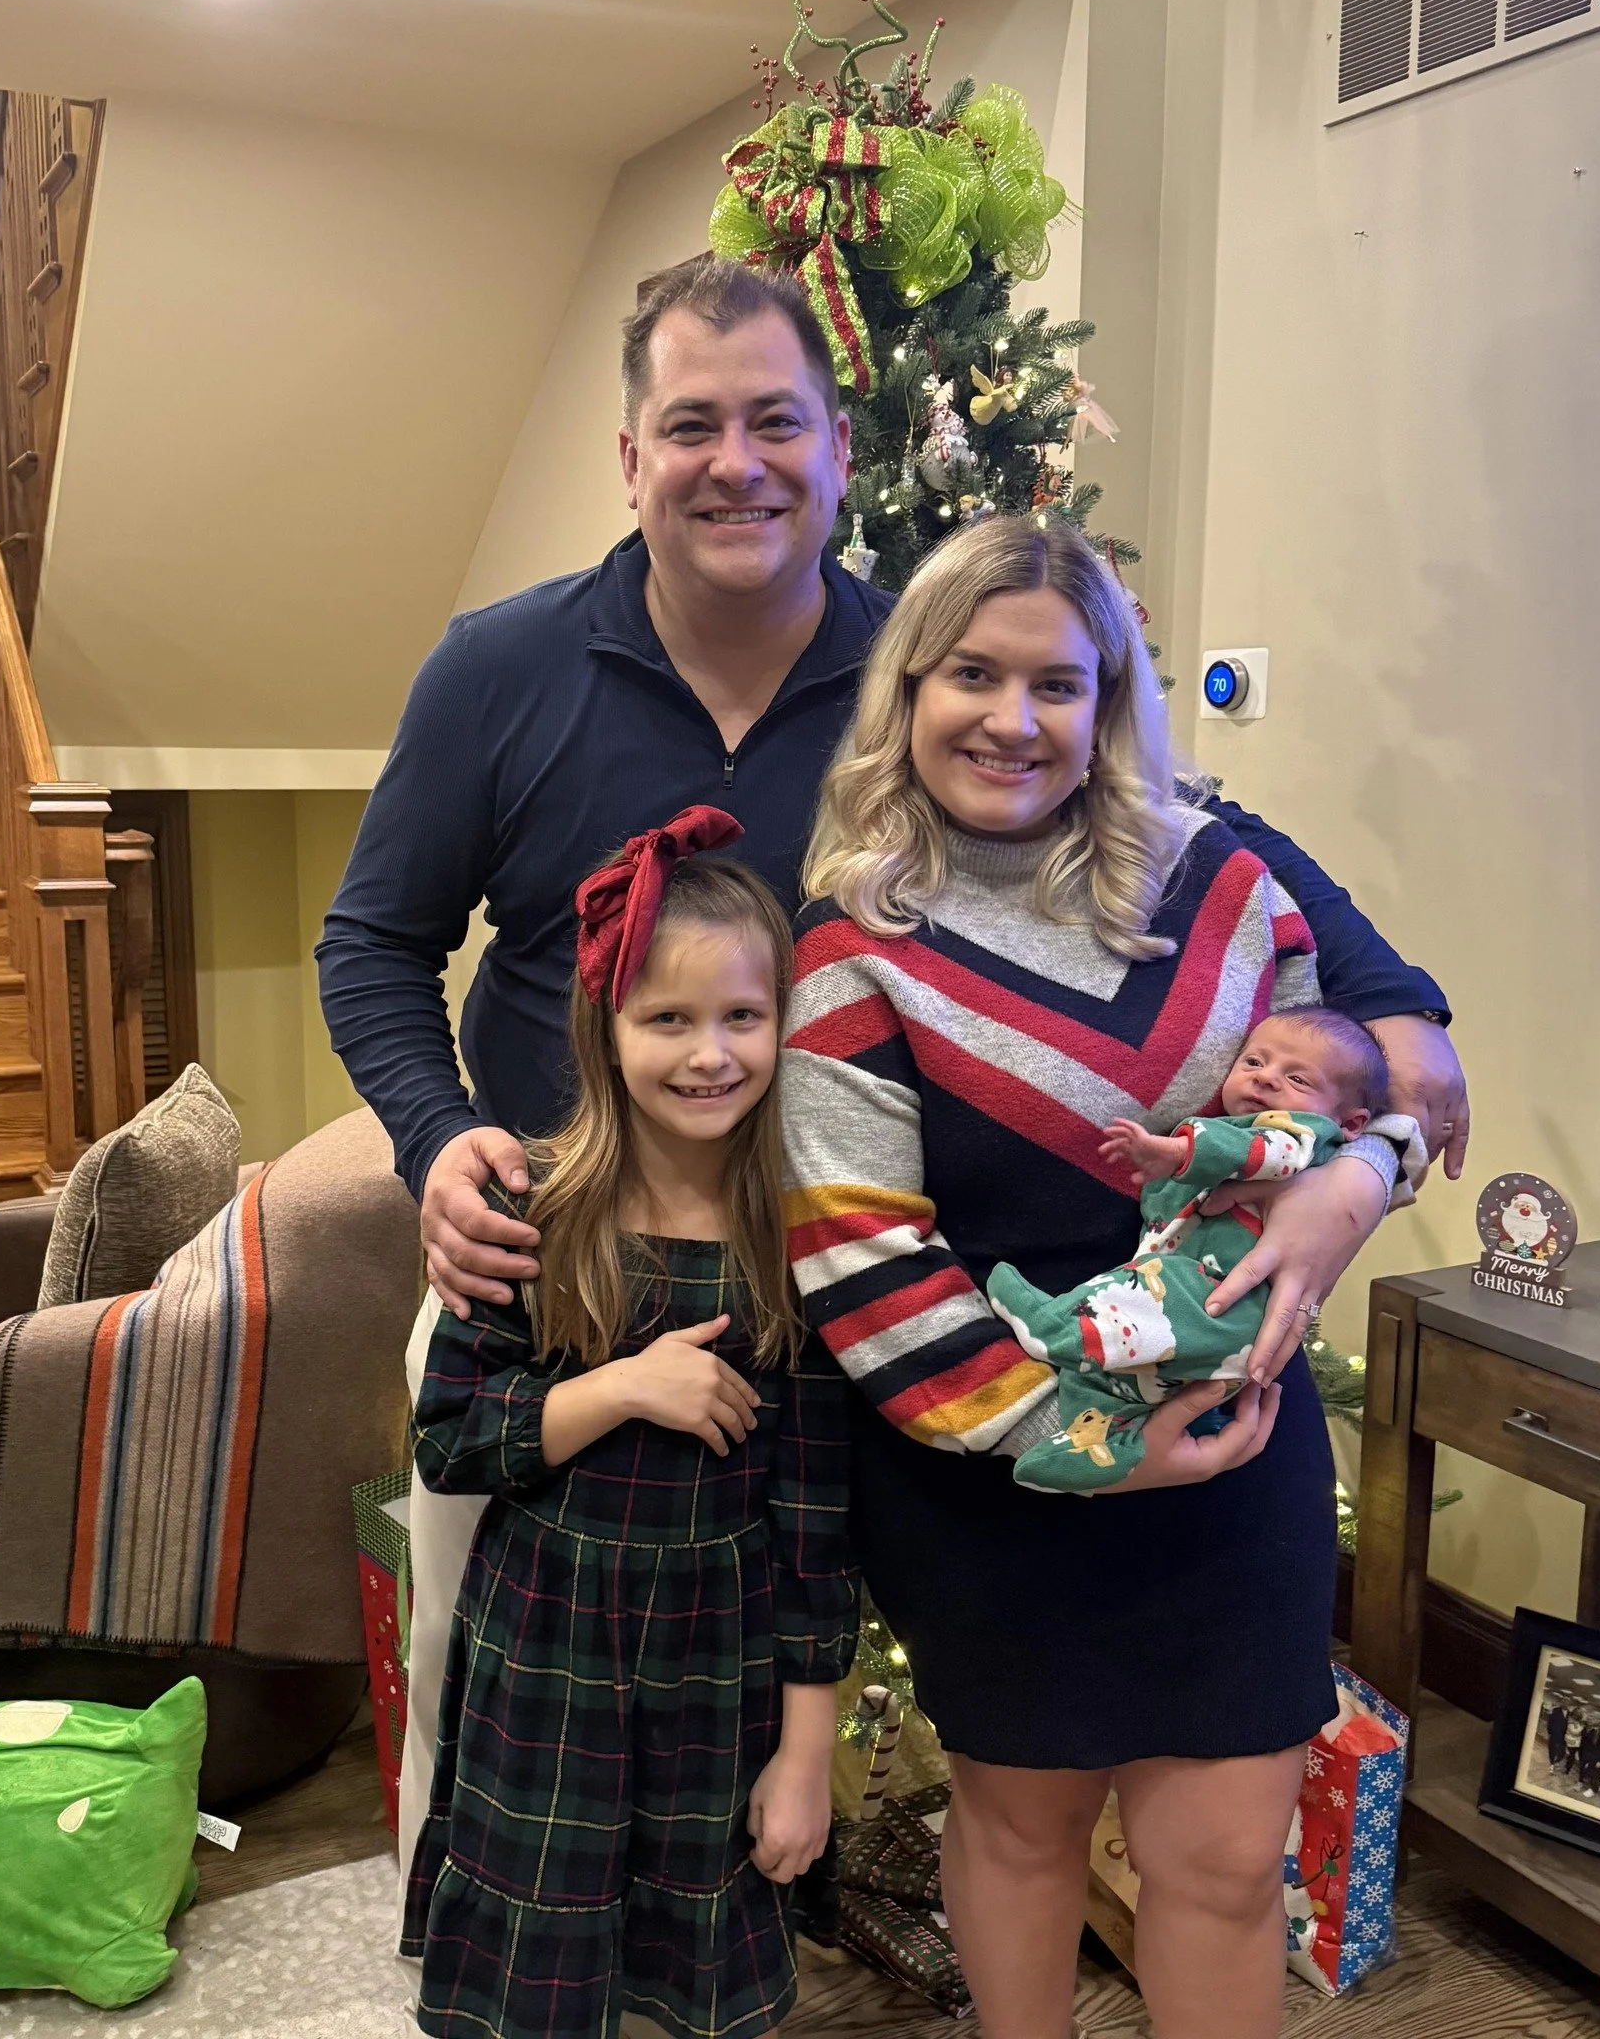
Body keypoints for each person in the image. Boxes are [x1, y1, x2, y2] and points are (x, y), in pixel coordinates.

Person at [316, 253, 1469, 1875]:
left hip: (810, 1317)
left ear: (839, 451)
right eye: (691, 423)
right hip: (549, 1286)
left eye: (775, 420)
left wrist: (1387, 1026)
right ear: (629, 455)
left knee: (751, 1732)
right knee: (496, 1694)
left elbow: (1182, 818)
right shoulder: (494, 674)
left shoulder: (931, 671)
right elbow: (368, 944)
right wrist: (434, 1138)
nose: (737, 462)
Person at [780, 515, 1416, 2039]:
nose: (1014, 720)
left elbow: (1364, 1079)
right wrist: (1074, 1449)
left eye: (1059, 684)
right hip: (992, 1464)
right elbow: (856, 1251)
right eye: (973, 675)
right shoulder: (854, 939)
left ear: (1109, 700)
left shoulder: (1233, 886)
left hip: (1235, 1453)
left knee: (1222, 1861)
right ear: (907, 692)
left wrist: (1357, 1184)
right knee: (1018, 1828)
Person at [400, 813, 855, 2039]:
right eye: (666, 1019)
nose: (707, 1054)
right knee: (536, 1981)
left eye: (741, 1018)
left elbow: (818, 1527)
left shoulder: (804, 1242)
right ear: (606, 1031)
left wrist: (805, 1751)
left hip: (723, 1666)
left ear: (783, 1025)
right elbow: (447, 1436)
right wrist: (619, 1387)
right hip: (546, 1654)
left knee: (688, 1967)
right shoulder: (525, 1209)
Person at [989, 1008, 1419, 1494]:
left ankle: (1054, 1326)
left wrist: (1175, 1153)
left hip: (1224, 1304)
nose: (1267, 1079)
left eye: (1296, 1077)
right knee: (1125, 1382)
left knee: (1155, 1288)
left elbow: (1261, 1151)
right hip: (1218, 1334)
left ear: (1352, 1122)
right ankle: (1098, 1449)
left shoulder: (1302, 1134)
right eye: (1253, 1061)